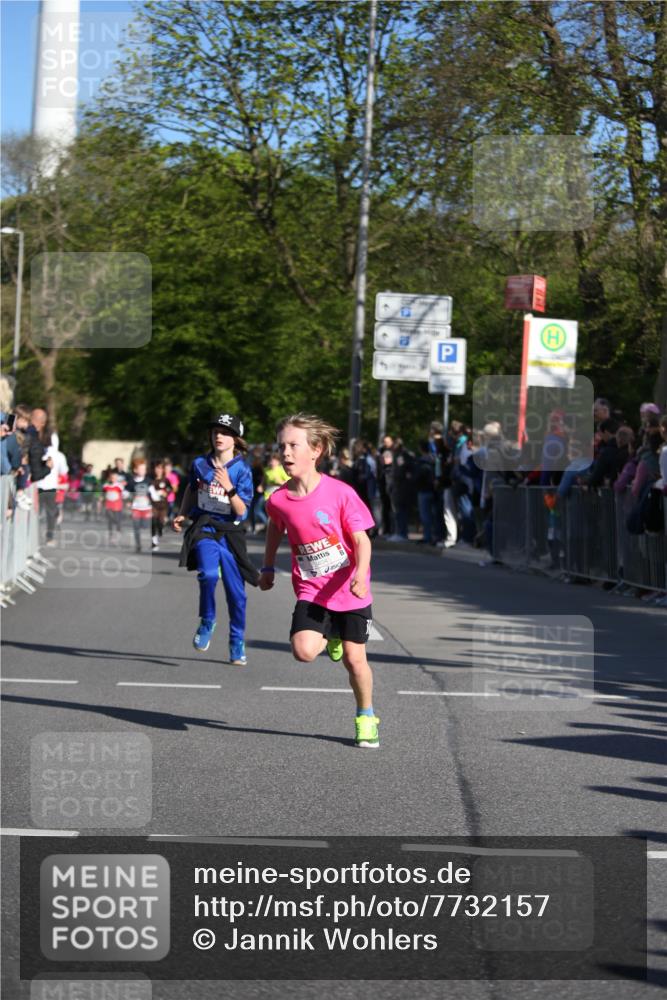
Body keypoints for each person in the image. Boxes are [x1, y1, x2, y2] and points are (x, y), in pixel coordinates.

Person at [259, 413, 379, 749]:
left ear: (316, 450)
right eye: (281, 445)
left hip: (350, 589)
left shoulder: (340, 493)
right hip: (313, 589)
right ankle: (331, 633)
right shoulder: (279, 499)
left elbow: (362, 540)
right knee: (303, 651)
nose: (285, 452)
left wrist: (359, 575)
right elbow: (274, 528)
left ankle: (366, 715)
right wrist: (267, 566)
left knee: (356, 661)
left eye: (293, 445)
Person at [173, 413, 256, 665]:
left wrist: (228, 486)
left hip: (230, 533)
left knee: (236, 594)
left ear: (235, 438)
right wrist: (182, 513)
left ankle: (236, 640)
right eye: (215, 432)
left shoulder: (242, 469)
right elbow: (191, 487)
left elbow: (242, 511)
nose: (219, 436)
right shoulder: (200, 463)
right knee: (208, 574)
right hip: (205, 527)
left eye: (225, 432)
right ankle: (208, 619)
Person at [125, 457, 153, 553]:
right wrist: (128, 500)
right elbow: (126, 493)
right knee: (136, 527)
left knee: (145, 526)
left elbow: (152, 492)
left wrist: (156, 497)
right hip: (136, 507)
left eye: (144, 469)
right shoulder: (131, 482)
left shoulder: (148, 481)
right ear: (135, 470)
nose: (143, 471)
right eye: (141, 469)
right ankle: (138, 545)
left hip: (146, 508)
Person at [150, 460, 171, 550]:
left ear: (162, 470)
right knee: (153, 520)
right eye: (156, 468)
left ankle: (161, 529)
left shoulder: (166, 480)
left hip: (163, 505)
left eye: (160, 468)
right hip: (153, 505)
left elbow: (171, 489)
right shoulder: (151, 480)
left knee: (160, 521)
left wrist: (166, 492)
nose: (158, 470)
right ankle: (154, 541)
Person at [102, 468, 124, 545]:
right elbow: (103, 494)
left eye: (115, 478)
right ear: (109, 478)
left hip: (117, 506)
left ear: (117, 478)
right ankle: (111, 536)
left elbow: (124, 494)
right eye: (112, 477)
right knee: (110, 521)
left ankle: (117, 536)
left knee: (117, 521)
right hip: (108, 506)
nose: (113, 479)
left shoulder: (119, 486)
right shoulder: (106, 485)